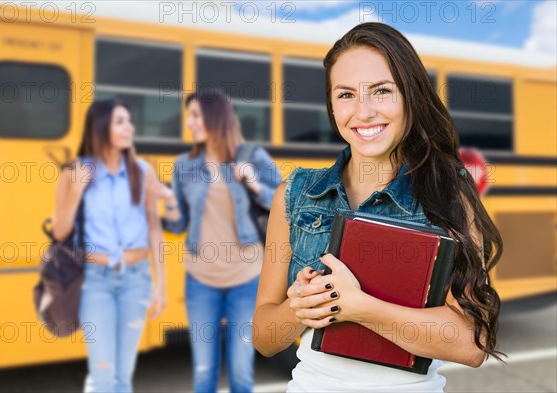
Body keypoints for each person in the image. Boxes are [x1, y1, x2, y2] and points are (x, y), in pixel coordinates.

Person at [253, 22, 503, 392]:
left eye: (382, 91)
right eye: (345, 95)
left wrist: (360, 307)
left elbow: (472, 344)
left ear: (410, 97)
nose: (363, 111)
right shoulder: (295, 193)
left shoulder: (448, 193)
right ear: (331, 105)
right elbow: (264, 337)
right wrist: (299, 308)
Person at [154, 88, 282, 393]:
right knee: (204, 373)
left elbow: (284, 203)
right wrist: (164, 206)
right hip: (201, 280)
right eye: (189, 115)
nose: (189, 122)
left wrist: (253, 183)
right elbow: (179, 224)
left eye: (196, 115)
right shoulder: (184, 165)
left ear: (216, 117)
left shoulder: (252, 156)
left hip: (247, 279)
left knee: (240, 374)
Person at [52, 99, 166, 393]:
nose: (129, 127)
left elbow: (154, 228)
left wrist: (161, 284)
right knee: (103, 376)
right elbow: (60, 231)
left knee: (122, 378)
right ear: (101, 127)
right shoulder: (75, 171)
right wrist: (76, 191)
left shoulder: (143, 172)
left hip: (136, 280)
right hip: (95, 282)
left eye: (129, 121)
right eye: (120, 121)